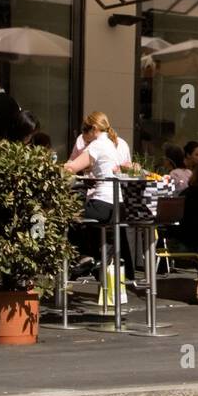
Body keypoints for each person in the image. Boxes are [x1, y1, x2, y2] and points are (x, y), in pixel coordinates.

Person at [63, 112, 134, 280]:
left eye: (84, 131)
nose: (83, 136)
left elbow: (72, 168)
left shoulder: (96, 145)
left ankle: (81, 256)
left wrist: (59, 166)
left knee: (63, 214)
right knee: (82, 216)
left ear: (93, 129)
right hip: (118, 206)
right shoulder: (112, 144)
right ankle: (93, 258)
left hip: (102, 204)